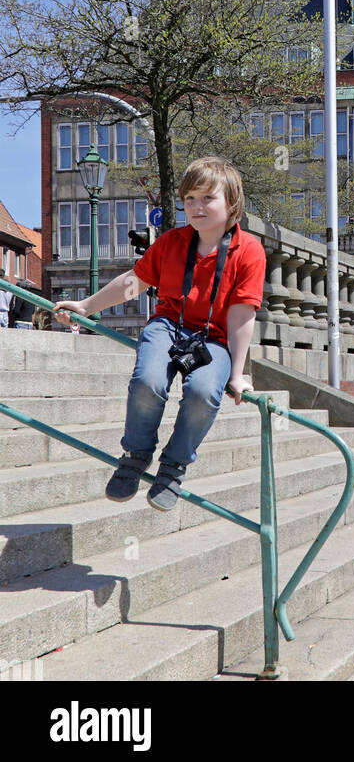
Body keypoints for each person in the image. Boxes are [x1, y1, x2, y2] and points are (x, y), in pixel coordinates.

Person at [55, 157, 266, 512]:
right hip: (169, 324)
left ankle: (173, 466)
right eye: (190, 199)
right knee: (148, 381)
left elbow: (243, 313)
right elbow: (133, 283)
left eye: (207, 198)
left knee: (202, 392)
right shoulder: (171, 242)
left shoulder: (249, 251)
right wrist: (87, 306)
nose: (197, 207)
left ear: (232, 203)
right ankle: (136, 456)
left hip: (212, 337)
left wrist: (237, 374)